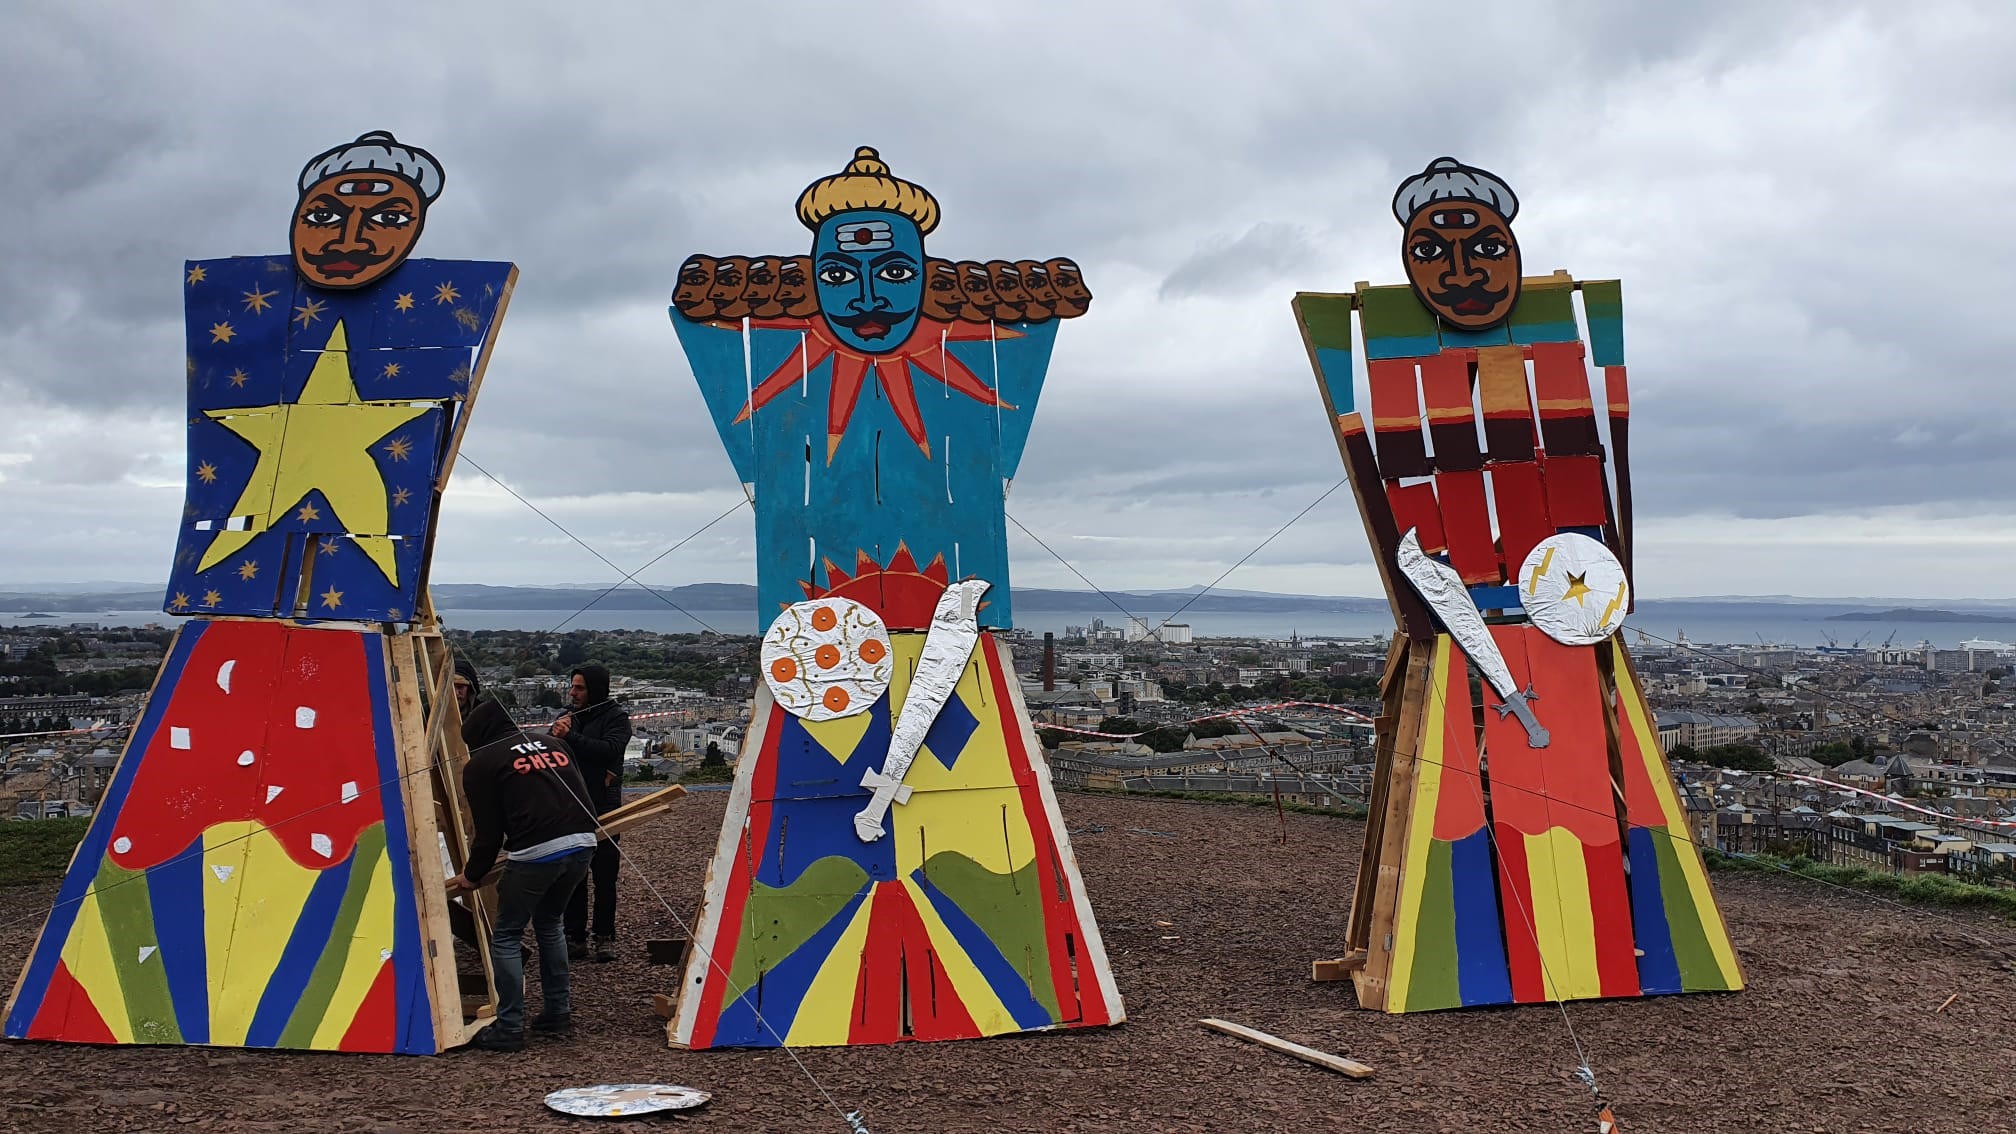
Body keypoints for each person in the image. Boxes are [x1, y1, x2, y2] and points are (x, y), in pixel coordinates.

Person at [450, 662, 597, 1052]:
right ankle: (557, 1013)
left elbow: (489, 833)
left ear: (475, 739)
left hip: (536, 852)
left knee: (508, 934)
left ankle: (510, 1025)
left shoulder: (480, 764)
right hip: (584, 842)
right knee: (550, 925)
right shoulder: (553, 743)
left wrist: (472, 874)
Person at [553, 663, 631, 962]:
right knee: (572, 874)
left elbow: (608, 750)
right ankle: (575, 937)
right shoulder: (567, 717)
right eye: (572, 686)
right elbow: (552, 750)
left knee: (605, 874)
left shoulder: (616, 718)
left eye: (579, 687)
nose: (572, 693)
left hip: (603, 805)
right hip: (571, 803)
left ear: (595, 689)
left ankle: (604, 937)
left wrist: (570, 738)